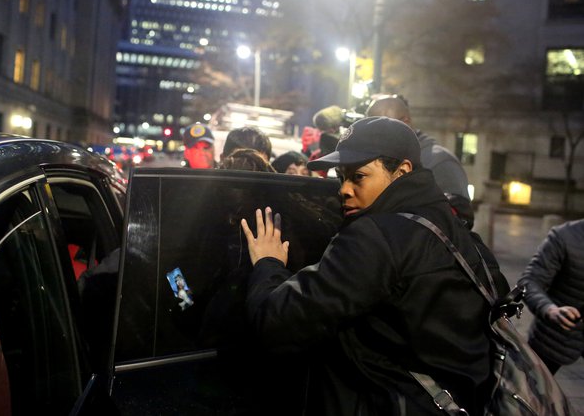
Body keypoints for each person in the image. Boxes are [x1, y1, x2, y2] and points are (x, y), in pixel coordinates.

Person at [240, 116, 509, 415]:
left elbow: (277, 324)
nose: (344, 189)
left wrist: (268, 263)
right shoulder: (460, 234)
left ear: (401, 172)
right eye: (341, 177)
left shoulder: (375, 237)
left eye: (358, 177)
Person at [365, 95, 470, 200]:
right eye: (368, 131)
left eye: (381, 129)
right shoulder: (379, 161)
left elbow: (456, 213)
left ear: (405, 123)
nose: (374, 138)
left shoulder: (440, 163)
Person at [518, 219, 584, 374]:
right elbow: (529, 281)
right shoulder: (564, 236)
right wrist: (550, 310)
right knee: (531, 391)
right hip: (554, 337)